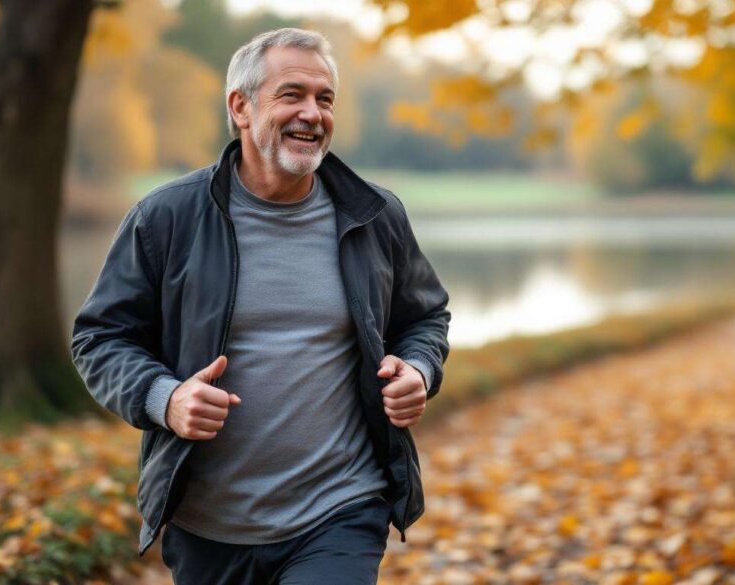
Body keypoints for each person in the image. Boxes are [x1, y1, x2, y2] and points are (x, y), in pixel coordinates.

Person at [70, 27, 450, 585]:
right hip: (208, 526)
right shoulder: (166, 219)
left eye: (325, 99)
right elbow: (99, 338)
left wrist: (418, 368)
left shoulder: (374, 215)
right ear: (241, 108)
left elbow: (424, 318)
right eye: (292, 94)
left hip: (341, 507)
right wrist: (165, 398)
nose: (312, 113)